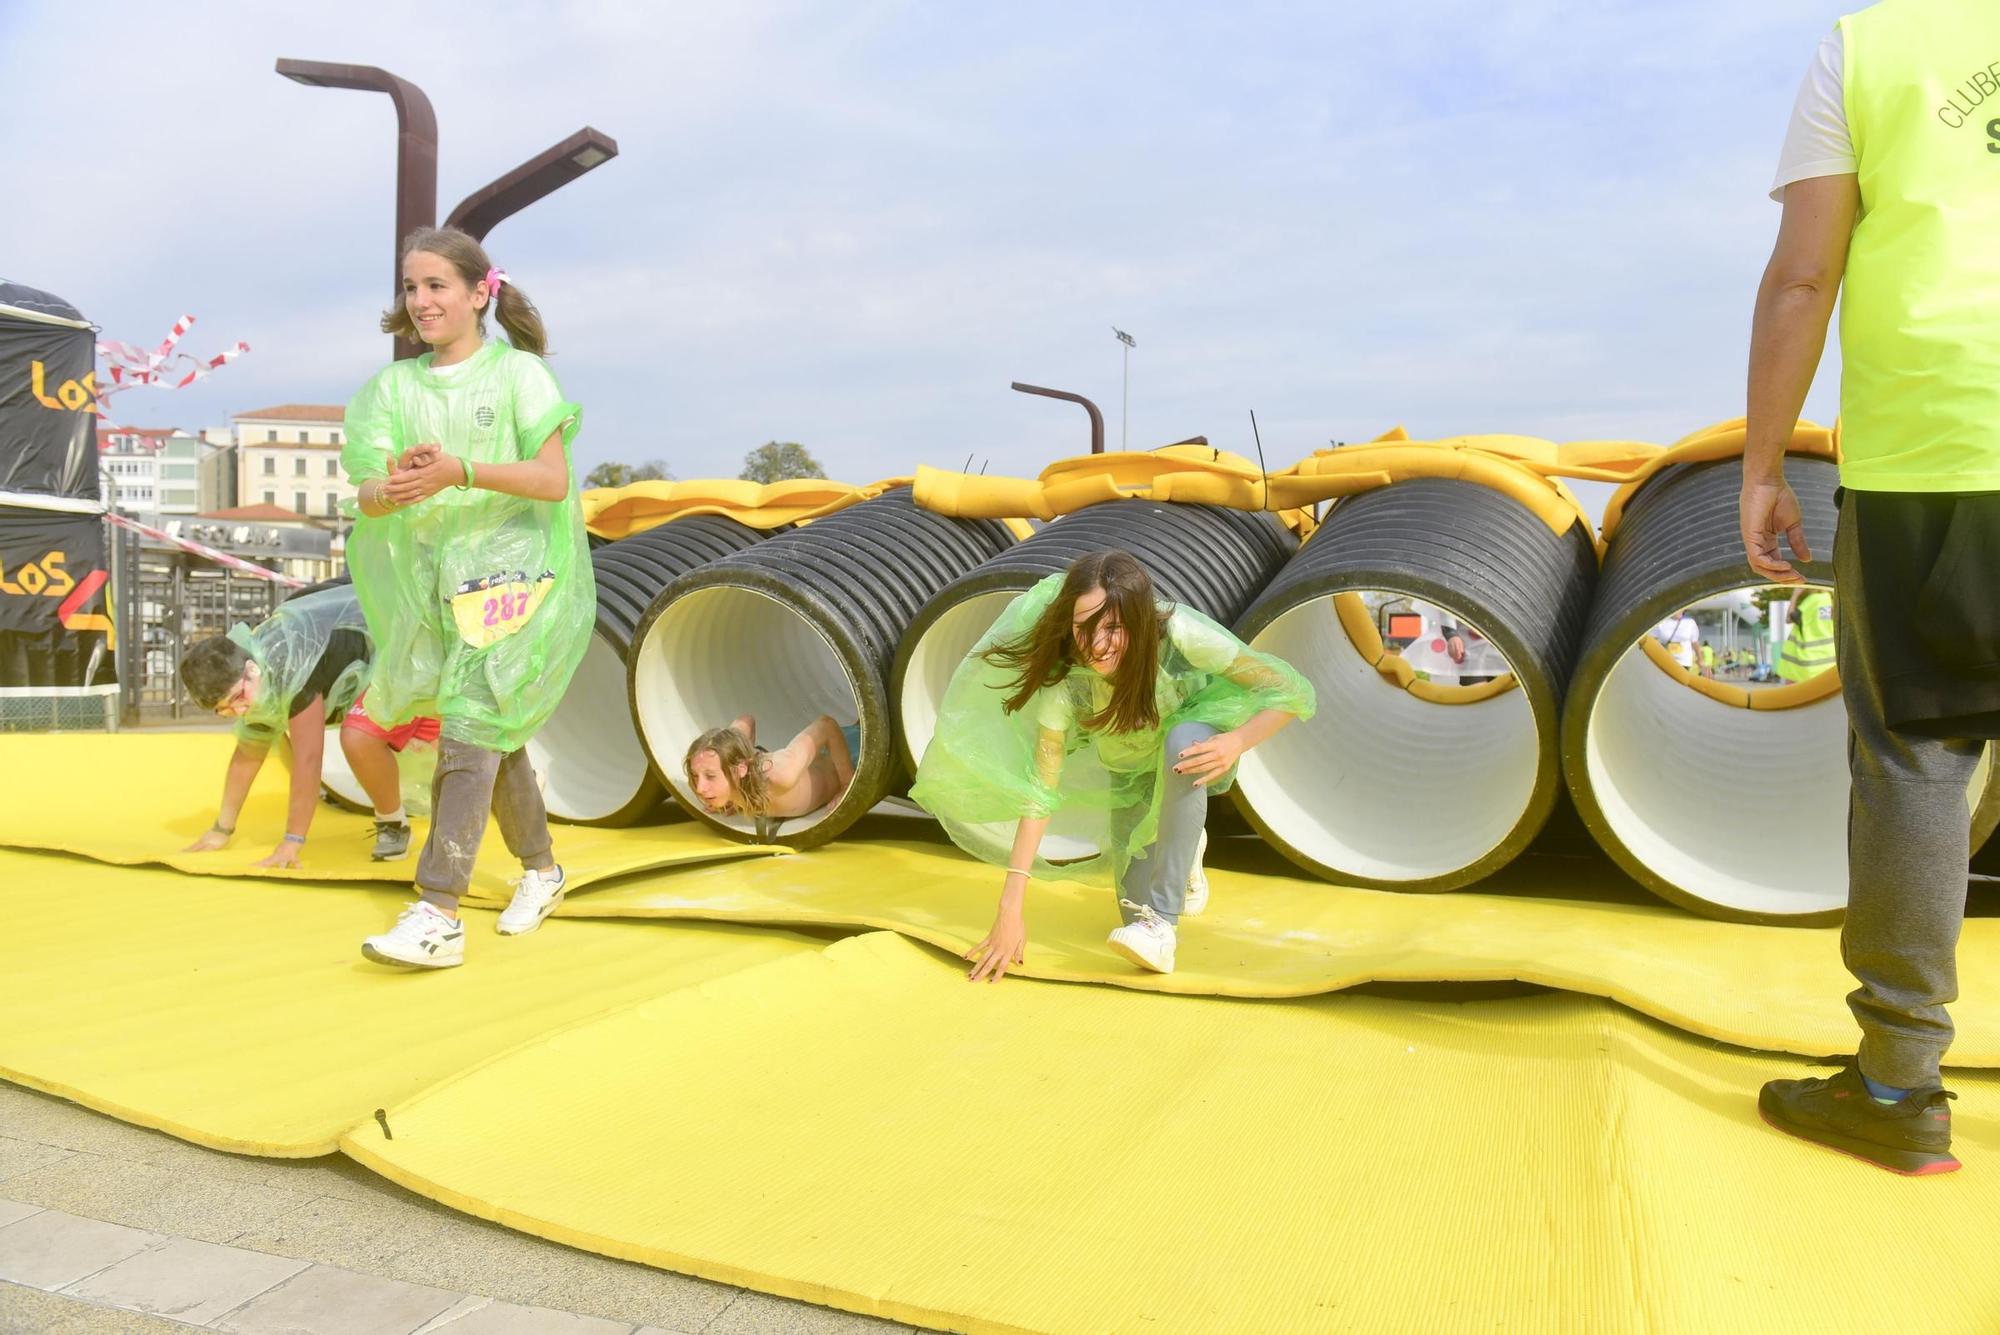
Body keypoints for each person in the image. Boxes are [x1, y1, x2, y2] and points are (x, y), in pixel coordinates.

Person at [1741, 0, 1999, 1175]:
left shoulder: (1872, 44)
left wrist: (1762, 462)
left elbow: (1805, 274)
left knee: (1916, 757)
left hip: (1942, 449)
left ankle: (1898, 1086)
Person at [340, 226, 594, 970]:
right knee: (490, 727)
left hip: (518, 577)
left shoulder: (520, 377)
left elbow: (551, 481)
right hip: (439, 586)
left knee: (470, 721)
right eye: (411, 287)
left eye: (436, 285)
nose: (420, 301)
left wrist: (462, 471)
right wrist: (401, 483)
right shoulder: (392, 390)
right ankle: (543, 868)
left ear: (480, 291)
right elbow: (368, 494)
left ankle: (438, 908)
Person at [911, 550, 1315, 980]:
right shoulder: (1065, 687)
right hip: (1129, 771)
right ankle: (1184, 852)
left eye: (1115, 627)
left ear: (1140, 622)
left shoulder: (1179, 637)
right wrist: (1009, 909)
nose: (1098, 645)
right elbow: (1039, 795)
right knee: (1129, 917)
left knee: (1183, 747)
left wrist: (1235, 741)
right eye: (1084, 628)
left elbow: (1290, 692)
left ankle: (1163, 924)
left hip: (1192, 744)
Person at [179, 585, 434, 866]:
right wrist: (221, 829)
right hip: (352, 648)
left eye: (238, 698)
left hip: (396, 643)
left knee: (359, 737)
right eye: (223, 710)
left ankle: (393, 824)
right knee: (383, 737)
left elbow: (308, 759)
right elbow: (248, 754)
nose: (238, 710)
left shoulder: (291, 666)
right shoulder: (253, 683)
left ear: (252, 669)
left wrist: (292, 841)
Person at [683, 714, 859, 835]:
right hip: (825, 757)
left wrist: (847, 785)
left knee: (862, 728)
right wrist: (730, 794)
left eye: (711, 776)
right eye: (696, 775)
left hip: (853, 752)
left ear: (740, 769)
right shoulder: (736, 772)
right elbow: (746, 720)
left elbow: (826, 725)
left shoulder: (780, 774)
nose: (700, 788)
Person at [1776, 587, 1837, 682]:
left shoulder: (1812, 601)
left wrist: (1795, 595)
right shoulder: (1829, 601)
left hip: (1807, 663)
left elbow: (1789, 618)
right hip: (1828, 661)